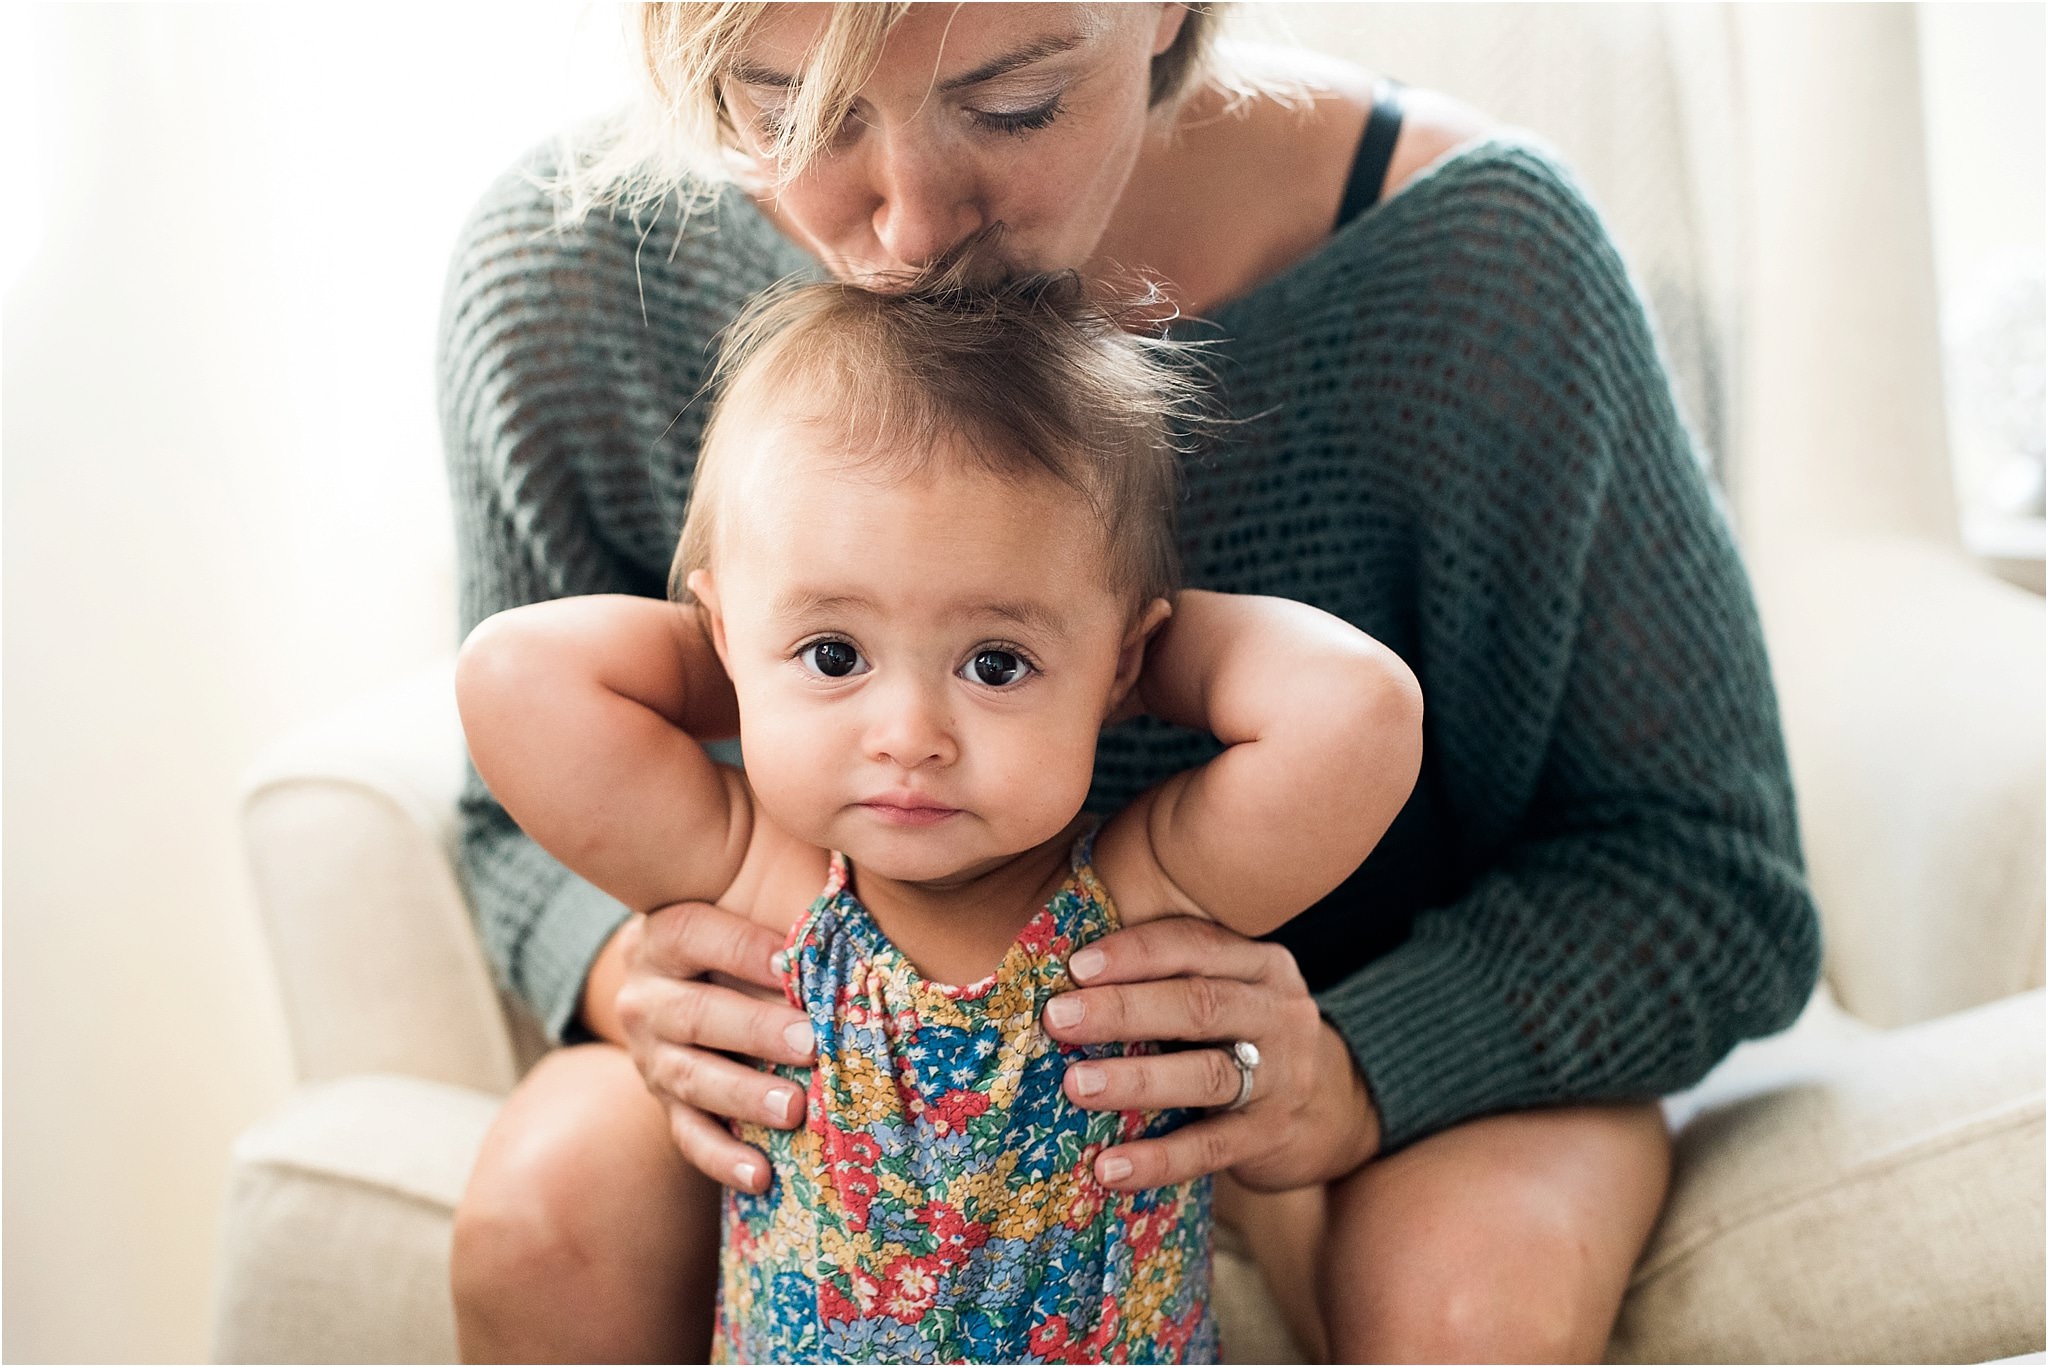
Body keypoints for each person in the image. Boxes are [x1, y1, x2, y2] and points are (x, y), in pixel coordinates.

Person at [440, 4, 1823, 1361]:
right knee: (548, 1212)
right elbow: (511, 823)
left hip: (1379, 1017)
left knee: (1467, 1298)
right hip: (848, 988)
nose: (911, 229)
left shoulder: (1485, 265)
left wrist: (1352, 1067)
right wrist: (660, 949)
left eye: (1012, 102)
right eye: (784, 109)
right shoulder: (571, 274)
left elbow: (1709, 879)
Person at [455, 264, 1424, 1362]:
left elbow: (1361, 710)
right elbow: (512, 676)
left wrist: (1113, 659)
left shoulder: (1137, 916)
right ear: (730, 638)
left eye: (995, 661)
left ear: (1121, 660)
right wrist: (754, 660)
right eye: (837, 652)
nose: (908, 731)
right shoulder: (766, 890)